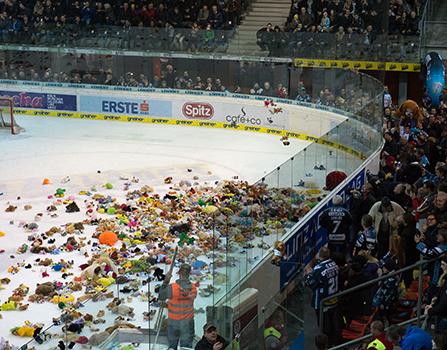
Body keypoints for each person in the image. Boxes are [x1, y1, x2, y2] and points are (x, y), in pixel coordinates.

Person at [304, 247, 340, 346]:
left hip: (322, 301)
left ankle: (326, 344)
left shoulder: (319, 269)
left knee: (323, 326)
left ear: (319, 255)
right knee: (333, 324)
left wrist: (308, 273)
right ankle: (334, 341)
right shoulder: (334, 264)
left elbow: (309, 283)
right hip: (334, 299)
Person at [159, 263, 198, 350]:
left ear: (179, 273)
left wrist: (165, 281)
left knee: (172, 346)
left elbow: (161, 296)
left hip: (174, 322)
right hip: (188, 322)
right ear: (189, 274)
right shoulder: (193, 288)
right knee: (186, 347)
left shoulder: (172, 287)